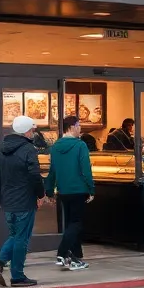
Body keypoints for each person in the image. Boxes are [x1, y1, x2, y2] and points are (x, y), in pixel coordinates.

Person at [0, 115, 46, 288]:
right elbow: (35, 175)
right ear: (28, 131)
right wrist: (41, 194)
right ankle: (16, 275)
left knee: (15, 235)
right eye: (33, 130)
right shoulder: (28, 149)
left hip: (7, 201)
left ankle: (0, 262)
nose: (33, 133)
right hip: (25, 200)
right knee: (22, 238)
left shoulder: (2, 149)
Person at [46, 115, 95, 271]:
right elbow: (86, 170)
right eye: (79, 125)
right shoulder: (80, 145)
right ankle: (62, 253)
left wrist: (49, 191)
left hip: (63, 191)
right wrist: (91, 189)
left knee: (70, 224)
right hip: (79, 189)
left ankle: (75, 257)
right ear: (73, 126)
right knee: (76, 223)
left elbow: (52, 170)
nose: (80, 128)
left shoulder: (55, 147)